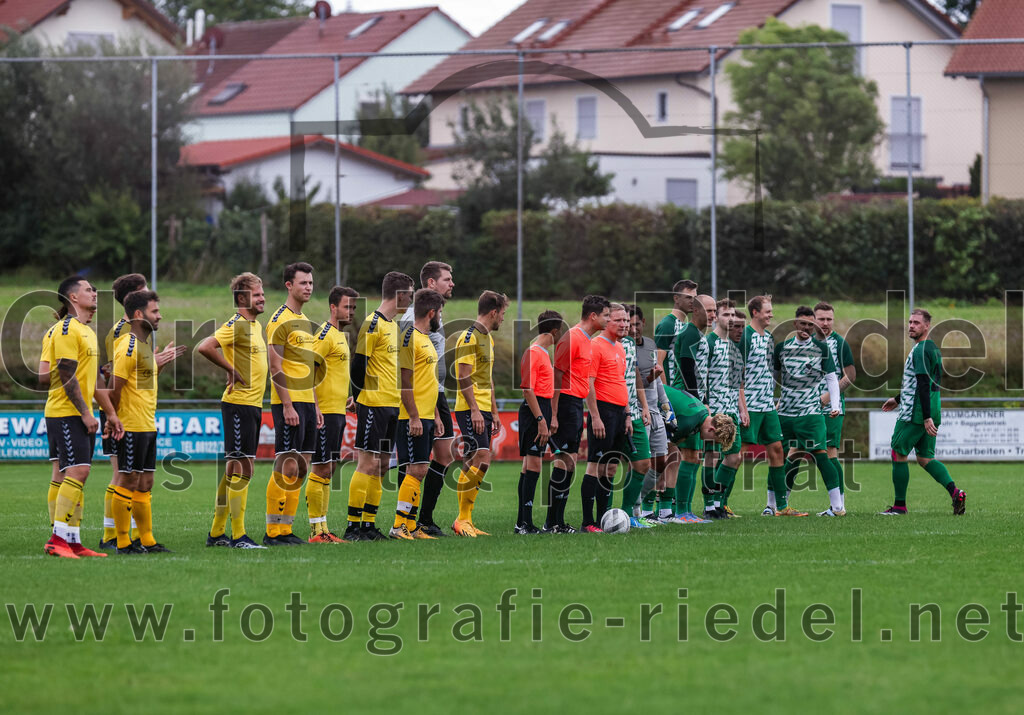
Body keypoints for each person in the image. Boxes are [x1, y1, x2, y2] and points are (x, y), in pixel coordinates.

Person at [44, 277, 122, 559]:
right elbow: (66, 374)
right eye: (89, 289)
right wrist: (86, 413)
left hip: (76, 412)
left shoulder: (86, 331)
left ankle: (73, 541)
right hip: (67, 413)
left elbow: (96, 381)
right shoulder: (66, 329)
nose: (94, 293)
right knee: (77, 472)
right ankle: (57, 539)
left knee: (77, 473)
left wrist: (111, 414)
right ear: (73, 297)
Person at [197, 272, 269, 549]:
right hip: (238, 405)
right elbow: (205, 346)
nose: (263, 298)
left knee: (236, 469)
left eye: (263, 294)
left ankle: (216, 533)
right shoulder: (237, 324)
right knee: (242, 467)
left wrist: (233, 367)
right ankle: (238, 535)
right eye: (257, 294)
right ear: (242, 298)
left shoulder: (254, 327)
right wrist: (230, 369)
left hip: (251, 405)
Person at [109, 290, 180, 553]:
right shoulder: (127, 345)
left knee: (145, 482)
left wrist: (160, 366)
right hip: (130, 425)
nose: (160, 316)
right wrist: (112, 417)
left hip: (148, 424)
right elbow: (114, 387)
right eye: (155, 311)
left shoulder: (144, 346)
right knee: (128, 480)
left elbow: (144, 383)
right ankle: (123, 541)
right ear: (139, 314)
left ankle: (146, 539)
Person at [348, 271, 415, 541]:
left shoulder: (393, 326)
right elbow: (358, 364)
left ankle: (369, 524)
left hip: (391, 404)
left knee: (383, 465)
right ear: (399, 295)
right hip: (373, 404)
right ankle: (353, 526)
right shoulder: (372, 323)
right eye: (410, 294)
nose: (411, 300)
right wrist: (357, 396)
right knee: (366, 463)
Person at [880, 309, 966, 515]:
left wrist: (925, 417)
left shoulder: (920, 350)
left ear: (927, 326)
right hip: (932, 408)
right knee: (925, 458)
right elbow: (923, 383)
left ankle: (899, 506)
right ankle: (955, 492)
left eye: (916, 323)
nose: (911, 326)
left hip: (915, 413)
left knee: (898, 453)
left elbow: (923, 383)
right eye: (910, 322)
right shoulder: (932, 348)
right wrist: (898, 399)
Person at [265, 262, 322, 546]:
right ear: (289, 285)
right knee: (287, 465)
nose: (308, 287)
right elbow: (275, 365)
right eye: (303, 283)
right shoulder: (279, 319)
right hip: (288, 402)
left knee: (302, 466)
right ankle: (273, 531)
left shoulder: (305, 320)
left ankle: (286, 530)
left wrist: (315, 405)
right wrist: (287, 405)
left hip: (307, 403)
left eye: (310, 283)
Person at [399, 261, 456, 537]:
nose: (452, 283)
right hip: (423, 397)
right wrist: (431, 409)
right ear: (431, 283)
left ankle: (423, 518)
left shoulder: (436, 315)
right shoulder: (413, 319)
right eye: (447, 279)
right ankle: (406, 521)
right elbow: (410, 371)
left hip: (437, 393)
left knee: (443, 456)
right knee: (414, 461)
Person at [545, 295, 610, 533]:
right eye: (606, 315)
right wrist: (553, 414)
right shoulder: (571, 337)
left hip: (576, 405)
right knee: (563, 462)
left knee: (570, 463)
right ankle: (552, 522)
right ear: (593, 316)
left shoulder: (586, 340)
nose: (609, 319)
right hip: (565, 404)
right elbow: (557, 375)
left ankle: (558, 522)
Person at [774, 306, 844, 517]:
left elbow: (832, 378)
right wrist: (770, 402)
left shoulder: (822, 349)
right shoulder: (782, 348)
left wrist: (835, 405)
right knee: (778, 457)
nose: (807, 328)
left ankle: (838, 507)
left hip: (811, 412)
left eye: (810, 324)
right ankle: (775, 506)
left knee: (821, 454)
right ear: (795, 324)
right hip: (785, 412)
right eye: (803, 323)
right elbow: (773, 378)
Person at [451, 290, 508, 537]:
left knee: (474, 460)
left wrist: (494, 411)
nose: (503, 319)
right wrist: (474, 409)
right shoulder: (468, 337)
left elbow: (488, 378)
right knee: (483, 458)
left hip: (484, 408)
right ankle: (462, 518)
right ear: (493, 312)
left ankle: (466, 520)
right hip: (469, 408)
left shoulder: (489, 339)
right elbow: (463, 376)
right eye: (503, 313)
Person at [392, 288, 446, 540]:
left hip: (426, 414)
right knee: (415, 470)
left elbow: (429, 381)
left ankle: (411, 525)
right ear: (432, 312)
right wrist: (414, 416)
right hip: (411, 416)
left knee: (420, 470)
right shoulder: (409, 338)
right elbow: (404, 382)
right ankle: (398, 525)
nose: (440, 318)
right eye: (440, 313)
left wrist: (434, 414)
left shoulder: (425, 337)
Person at [98, 273, 147, 548]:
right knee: (121, 474)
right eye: (146, 289)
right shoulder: (123, 332)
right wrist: (111, 415)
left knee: (131, 476)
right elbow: (115, 377)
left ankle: (126, 534)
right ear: (134, 297)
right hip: (119, 410)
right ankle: (111, 536)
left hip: (132, 410)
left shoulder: (136, 330)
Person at [307, 285, 359, 543]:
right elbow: (307, 370)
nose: (350, 311)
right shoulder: (325, 334)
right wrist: (314, 406)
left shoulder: (341, 335)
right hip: (324, 412)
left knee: (329, 468)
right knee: (320, 467)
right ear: (332, 307)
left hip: (338, 410)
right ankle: (316, 530)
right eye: (346, 307)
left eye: (353, 308)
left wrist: (347, 397)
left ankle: (324, 529)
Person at [581, 303, 631, 532]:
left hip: (620, 414)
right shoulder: (596, 346)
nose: (624, 324)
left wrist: (628, 415)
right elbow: (588, 383)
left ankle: (603, 519)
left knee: (611, 468)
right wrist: (595, 417)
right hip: (603, 412)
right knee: (595, 466)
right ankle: (587, 522)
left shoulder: (620, 347)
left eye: (626, 320)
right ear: (607, 321)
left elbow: (622, 382)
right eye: (619, 320)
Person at [740, 295, 791, 516]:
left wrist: (774, 398)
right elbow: (736, 373)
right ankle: (718, 505)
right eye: (767, 311)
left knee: (777, 450)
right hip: (749, 403)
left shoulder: (769, 338)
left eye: (771, 310)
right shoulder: (745, 336)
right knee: (737, 454)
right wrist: (741, 406)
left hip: (767, 404)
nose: (771, 314)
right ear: (755, 313)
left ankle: (778, 506)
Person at [515, 310, 563, 534]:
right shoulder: (534, 352)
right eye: (560, 332)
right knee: (533, 465)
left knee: (529, 466)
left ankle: (522, 522)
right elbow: (527, 388)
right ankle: (525, 523)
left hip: (541, 410)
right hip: (534, 412)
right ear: (554, 331)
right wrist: (541, 419)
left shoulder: (543, 353)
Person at [669, 294, 714, 523]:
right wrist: (697, 403)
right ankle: (679, 512)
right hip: (685, 401)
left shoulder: (699, 335)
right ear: (696, 311)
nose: (714, 314)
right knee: (688, 454)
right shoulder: (688, 333)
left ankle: (683, 510)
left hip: (693, 400)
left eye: (715, 310)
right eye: (710, 310)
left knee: (693, 456)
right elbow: (686, 370)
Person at [704, 305, 748, 517]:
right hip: (715, 411)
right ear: (716, 317)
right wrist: (706, 409)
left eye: (733, 315)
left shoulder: (734, 346)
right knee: (711, 456)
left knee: (734, 457)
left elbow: (738, 382)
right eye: (726, 314)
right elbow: (700, 378)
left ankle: (720, 502)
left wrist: (742, 409)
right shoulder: (708, 343)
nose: (730, 319)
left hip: (731, 411)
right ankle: (709, 505)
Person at [618, 305, 659, 529]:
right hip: (615, 411)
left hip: (634, 411)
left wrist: (644, 406)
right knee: (607, 467)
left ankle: (628, 514)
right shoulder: (604, 344)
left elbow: (634, 376)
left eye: (631, 322)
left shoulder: (630, 344)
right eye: (623, 321)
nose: (628, 326)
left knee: (642, 463)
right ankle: (596, 517)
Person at [814, 301, 857, 496]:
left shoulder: (839, 343)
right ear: (813, 320)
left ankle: (839, 501)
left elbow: (850, 376)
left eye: (829, 319)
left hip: (831, 408)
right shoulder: (805, 342)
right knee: (795, 451)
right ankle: (779, 503)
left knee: (830, 452)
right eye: (821, 319)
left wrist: (828, 396)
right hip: (805, 408)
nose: (825, 323)